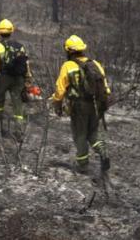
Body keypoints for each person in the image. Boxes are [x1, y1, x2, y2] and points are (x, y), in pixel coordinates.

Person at [51, 35, 111, 174]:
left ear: (69, 51)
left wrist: (57, 103)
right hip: (95, 105)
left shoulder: (68, 65)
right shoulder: (95, 64)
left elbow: (60, 89)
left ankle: (83, 165)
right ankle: (103, 151)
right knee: (93, 133)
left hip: (79, 106)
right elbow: (105, 87)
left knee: (80, 135)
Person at [0, 19, 31, 139]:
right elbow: (26, 64)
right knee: (17, 104)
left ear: (0, 33)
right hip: (19, 79)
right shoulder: (20, 47)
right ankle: (19, 131)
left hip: (4, 77)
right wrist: (27, 78)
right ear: (11, 32)